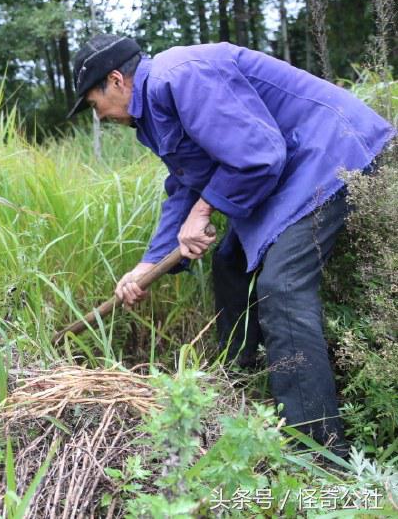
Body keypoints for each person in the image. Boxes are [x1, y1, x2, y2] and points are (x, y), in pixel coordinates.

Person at [67, 34, 395, 456]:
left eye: (94, 105)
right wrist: (146, 266)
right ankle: (240, 387)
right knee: (230, 265)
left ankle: (318, 450)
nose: (100, 116)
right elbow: (186, 186)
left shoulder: (182, 77)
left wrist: (203, 212)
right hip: (288, 173)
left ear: (116, 80)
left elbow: (258, 156)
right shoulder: (155, 112)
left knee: (282, 288)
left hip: (329, 154)